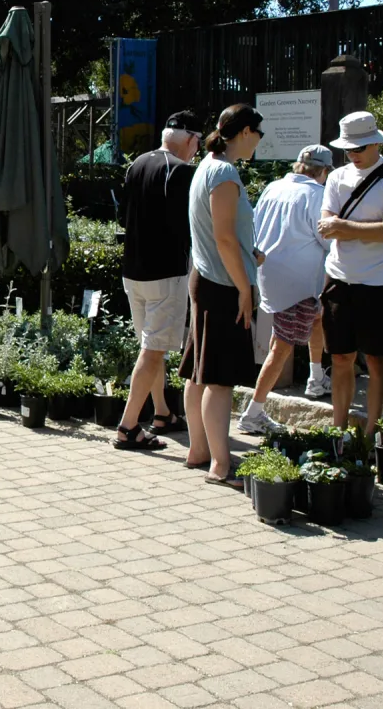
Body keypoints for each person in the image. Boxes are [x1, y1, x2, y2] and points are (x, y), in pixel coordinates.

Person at [180, 104, 266, 487]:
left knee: (199, 373)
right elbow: (225, 237)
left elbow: (226, 237)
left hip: (207, 279)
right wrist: (245, 288)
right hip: (222, 285)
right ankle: (220, 464)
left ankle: (199, 450)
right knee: (219, 379)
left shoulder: (206, 166)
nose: (260, 142)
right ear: (246, 131)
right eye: (259, 134)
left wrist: (250, 253)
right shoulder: (225, 172)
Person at [319, 111, 383, 435]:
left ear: (376, 142)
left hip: (379, 281)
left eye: (358, 148)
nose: (352, 155)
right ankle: (339, 432)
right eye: (348, 149)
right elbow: (325, 227)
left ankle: (372, 432)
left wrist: (345, 227)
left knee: (376, 359)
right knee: (341, 358)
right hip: (339, 277)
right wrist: (363, 229)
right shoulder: (337, 177)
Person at [113, 110, 201, 451]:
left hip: (132, 271)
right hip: (165, 273)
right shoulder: (182, 171)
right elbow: (188, 226)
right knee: (153, 351)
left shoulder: (137, 163)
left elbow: (123, 214)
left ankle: (163, 413)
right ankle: (128, 426)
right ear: (191, 140)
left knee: (150, 349)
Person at [238, 145, 334, 435]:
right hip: (299, 280)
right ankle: (253, 412)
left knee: (314, 319)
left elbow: (254, 226)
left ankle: (316, 378)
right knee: (282, 346)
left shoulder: (273, 186)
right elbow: (328, 239)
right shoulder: (318, 195)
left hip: (269, 273)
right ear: (324, 171)